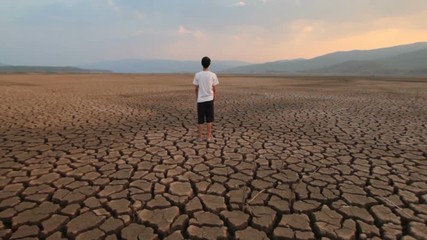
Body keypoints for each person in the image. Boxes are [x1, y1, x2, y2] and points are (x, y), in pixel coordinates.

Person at [193, 56, 219, 142]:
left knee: (200, 120)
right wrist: (214, 99)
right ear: (209, 64)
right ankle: (208, 137)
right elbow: (214, 89)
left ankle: (200, 137)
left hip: (201, 100)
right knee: (209, 119)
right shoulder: (213, 75)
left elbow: (196, 88)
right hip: (209, 100)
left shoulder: (197, 75)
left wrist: (197, 98)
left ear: (202, 64)